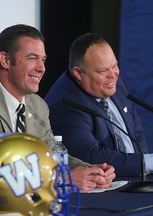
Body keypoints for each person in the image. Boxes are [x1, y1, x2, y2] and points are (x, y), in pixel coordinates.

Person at [0, 24, 115, 192]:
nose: (42, 68)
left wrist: (92, 171)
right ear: (5, 60)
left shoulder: (38, 105)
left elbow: (51, 154)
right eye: (32, 58)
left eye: (43, 60)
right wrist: (62, 178)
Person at [45, 32, 152, 177]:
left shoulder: (114, 82)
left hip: (135, 178)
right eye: (103, 70)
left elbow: (136, 134)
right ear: (78, 73)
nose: (113, 74)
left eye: (115, 66)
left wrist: (145, 171)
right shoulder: (66, 104)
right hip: (105, 189)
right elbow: (91, 156)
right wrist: (148, 163)